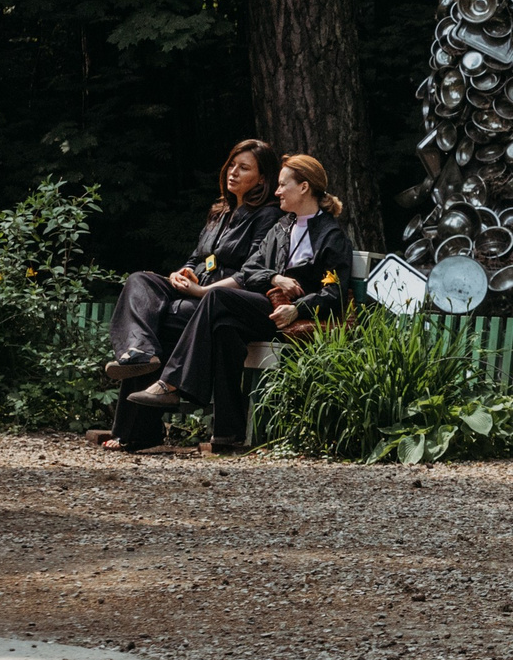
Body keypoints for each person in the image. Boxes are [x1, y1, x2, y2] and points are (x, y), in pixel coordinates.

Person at [127, 155, 355, 451]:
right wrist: (275, 278)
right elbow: (250, 271)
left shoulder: (331, 236)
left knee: (218, 298)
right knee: (224, 327)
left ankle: (171, 384)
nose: (277, 191)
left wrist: (298, 307)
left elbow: (334, 292)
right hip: (266, 307)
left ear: (304, 187)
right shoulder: (282, 227)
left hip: (294, 318)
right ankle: (226, 433)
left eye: (283, 185)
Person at [93, 139, 282, 453]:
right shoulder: (219, 212)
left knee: (168, 319)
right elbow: (197, 257)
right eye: (232, 165)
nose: (233, 172)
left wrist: (203, 289)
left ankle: (137, 427)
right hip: (195, 293)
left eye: (244, 168)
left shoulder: (267, 216)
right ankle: (140, 352)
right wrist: (182, 273)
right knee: (141, 281)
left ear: (262, 179)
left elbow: (252, 271)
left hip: (223, 302)